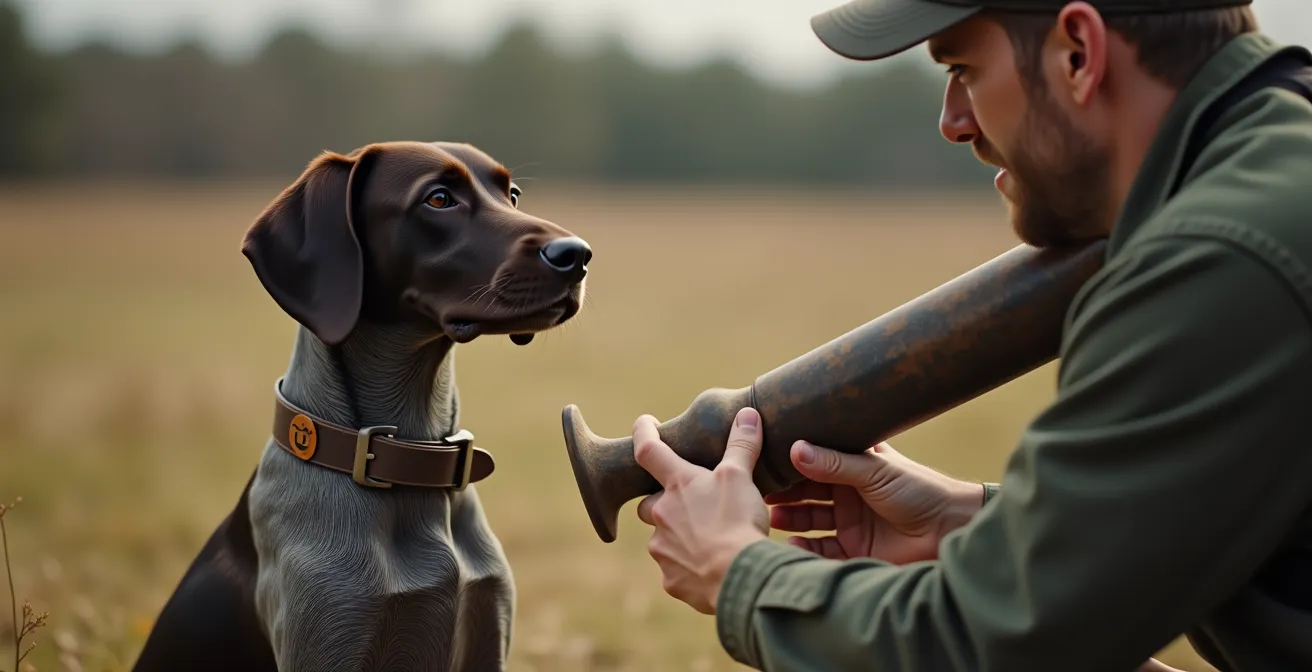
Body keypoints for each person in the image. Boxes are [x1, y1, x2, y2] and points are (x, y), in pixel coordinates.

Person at [626, 0, 1312, 670]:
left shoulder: (1221, 258)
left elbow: (992, 645)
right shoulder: (1275, 157)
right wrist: (981, 527)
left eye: (963, 68)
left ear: (1079, 53)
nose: (954, 122)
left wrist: (738, 572)